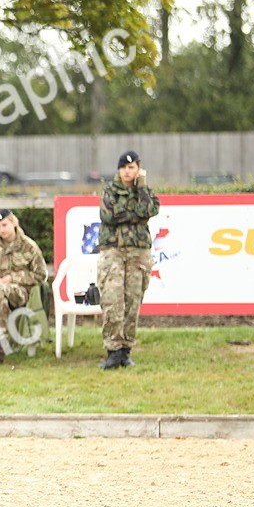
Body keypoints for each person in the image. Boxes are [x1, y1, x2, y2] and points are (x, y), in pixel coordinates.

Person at [98, 150, 161, 370]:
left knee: (133, 301)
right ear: (119, 169)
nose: (127, 171)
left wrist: (141, 187)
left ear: (139, 169)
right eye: (124, 167)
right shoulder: (109, 190)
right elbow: (109, 216)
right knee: (113, 299)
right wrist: (136, 214)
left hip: (138, 252)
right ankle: (112, 350)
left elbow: (149, 209)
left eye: (132, 167)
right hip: (113, 251)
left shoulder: (144, 190)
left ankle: (126, 350)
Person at [0, 208, 48, 361]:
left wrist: (12, 278)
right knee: (1, 301)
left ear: (14, 223)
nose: (1, 230)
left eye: (4, 225)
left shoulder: (29, 246)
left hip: (20, 293)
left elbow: (41, 275)